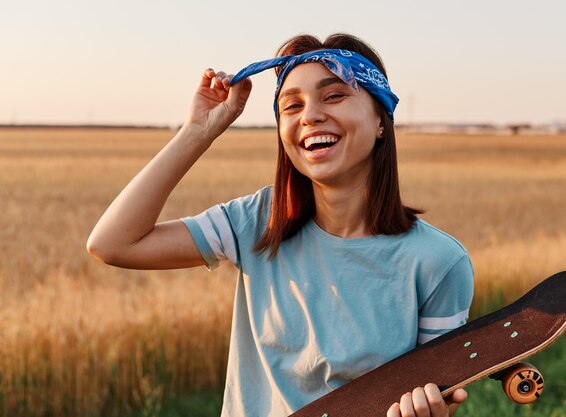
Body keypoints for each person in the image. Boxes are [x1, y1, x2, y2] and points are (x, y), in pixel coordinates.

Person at [87, 33, 474, 417]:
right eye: (291, 106)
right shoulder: (258, 222)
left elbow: (436, 392)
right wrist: (198, 130)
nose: (310, 115)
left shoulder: (438, 263)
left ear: (380, 120)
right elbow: (114, 244)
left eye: (334, 95)